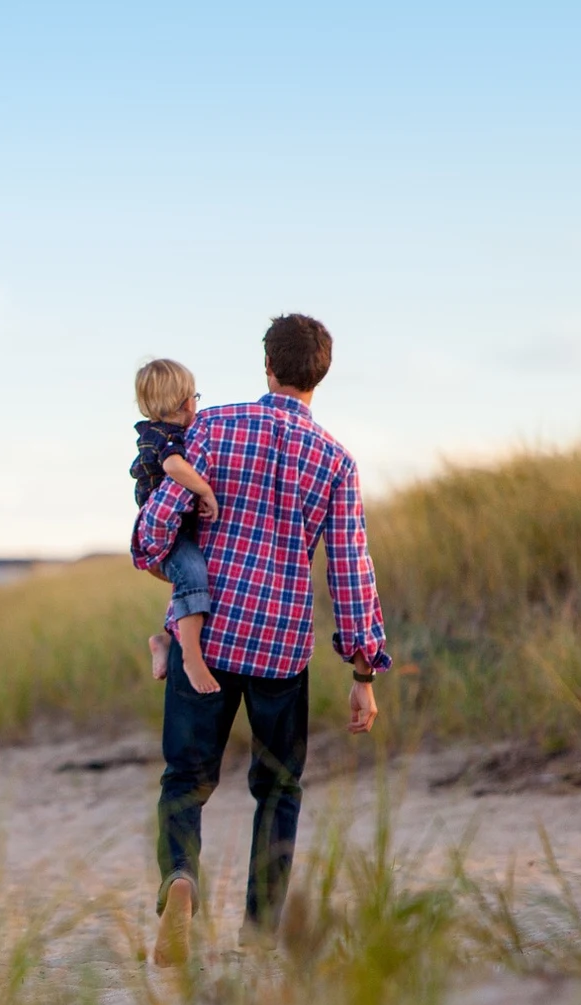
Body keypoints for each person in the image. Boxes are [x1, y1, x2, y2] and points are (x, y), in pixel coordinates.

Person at [131, 313, 390, 967]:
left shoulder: (213, 426)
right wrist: (363, 673)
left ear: (267, 366)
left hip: (208, 635)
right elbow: (350, 567)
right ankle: (261, 930)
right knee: (278, 789)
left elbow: (156, 525)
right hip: (281, 646)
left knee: (185, 781)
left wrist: (159, 557)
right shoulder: (336, 460)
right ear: (320, 375)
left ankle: (180, 880)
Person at [130, 359, 222, 695]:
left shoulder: (160, 432)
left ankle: (166, 640)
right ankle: (191, 658)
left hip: (175, 530)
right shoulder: (164, 437)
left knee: (190, 580)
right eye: (195, 397)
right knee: (193, 574)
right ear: (186, 402)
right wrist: (204, 489)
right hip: (165, 534)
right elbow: (173, 467)